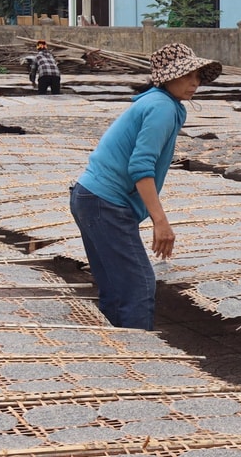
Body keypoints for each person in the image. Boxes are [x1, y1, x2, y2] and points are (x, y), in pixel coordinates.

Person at [69, 43, 221, 330]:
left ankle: (119, 356)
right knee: (138, 287)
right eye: (187, 75)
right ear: (166, 78)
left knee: (116, 288)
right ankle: (139, 361)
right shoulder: (161, 107)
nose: (194, 83)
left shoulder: (160, 104)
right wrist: (160, 221)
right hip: (104, 202)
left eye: (198, 76)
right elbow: (140, 167)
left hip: (91, 197)